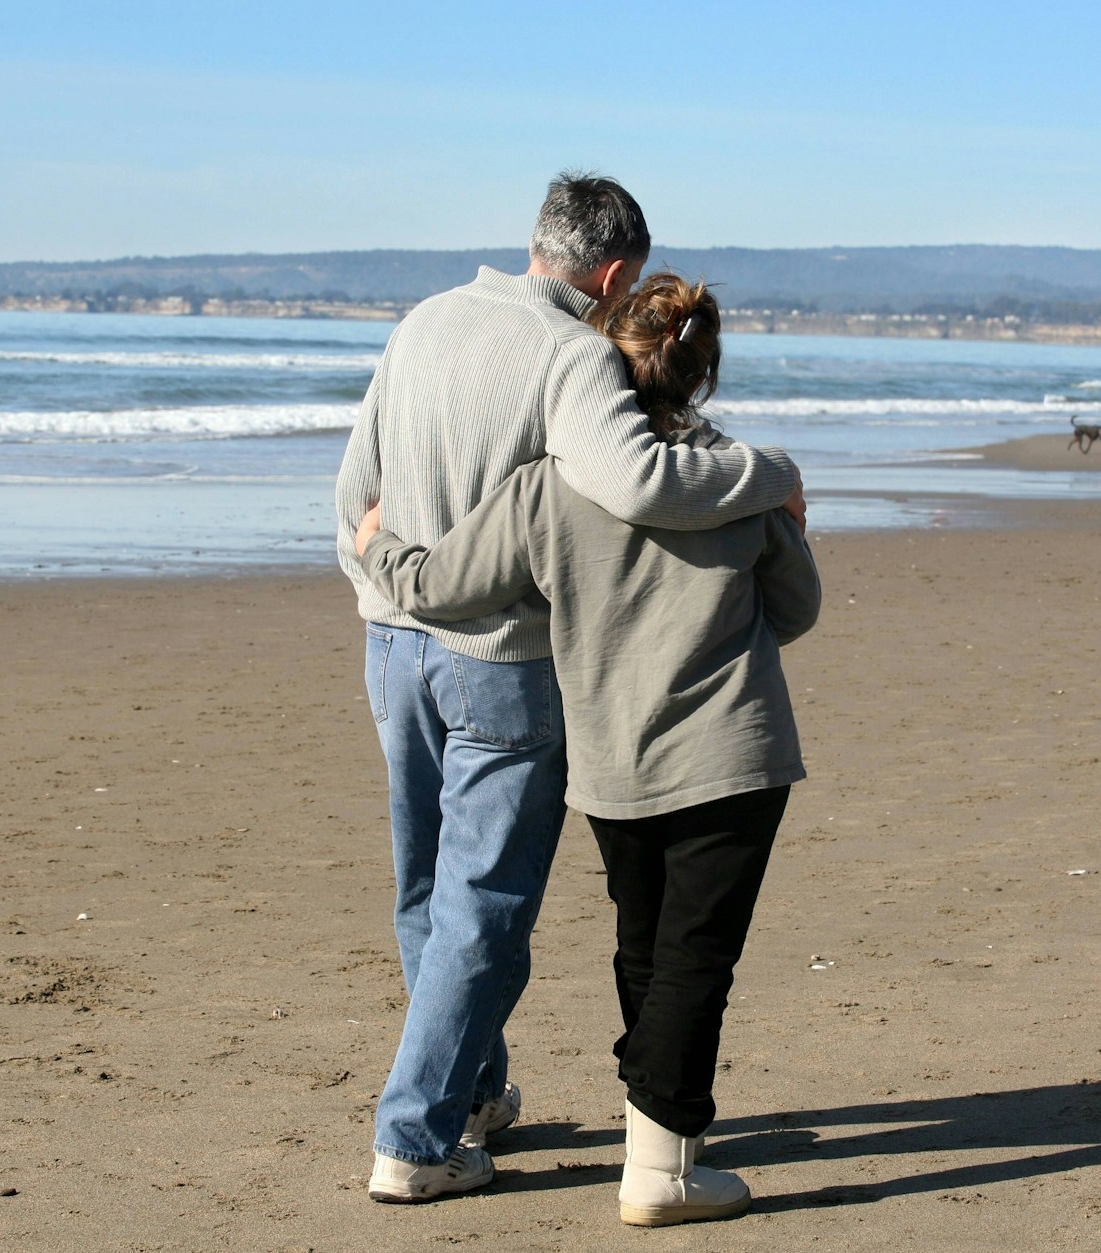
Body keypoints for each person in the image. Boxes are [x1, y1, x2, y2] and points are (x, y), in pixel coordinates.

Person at [334, 175, 803, 1204]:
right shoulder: (572, 352)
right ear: (615, 273)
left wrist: (383, 578)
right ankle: (414, 1138)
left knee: (425, 888)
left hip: (390, 638)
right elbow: (638, 480)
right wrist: (771, 474)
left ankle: (469, 1092)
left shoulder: (423, 320)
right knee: (482, 907)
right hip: (498, 656)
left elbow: (353, 486)